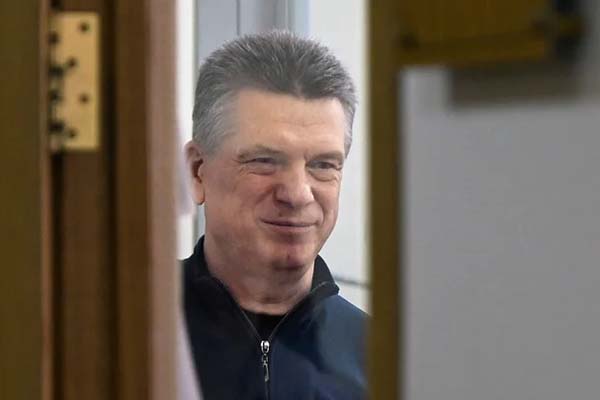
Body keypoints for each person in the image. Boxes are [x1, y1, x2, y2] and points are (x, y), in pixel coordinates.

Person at [183, 30, 366, 400]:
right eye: (265, 161)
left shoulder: (381, 361)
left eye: (323, 165)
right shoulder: (128, 333)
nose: (297, 194)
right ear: (198, 172)